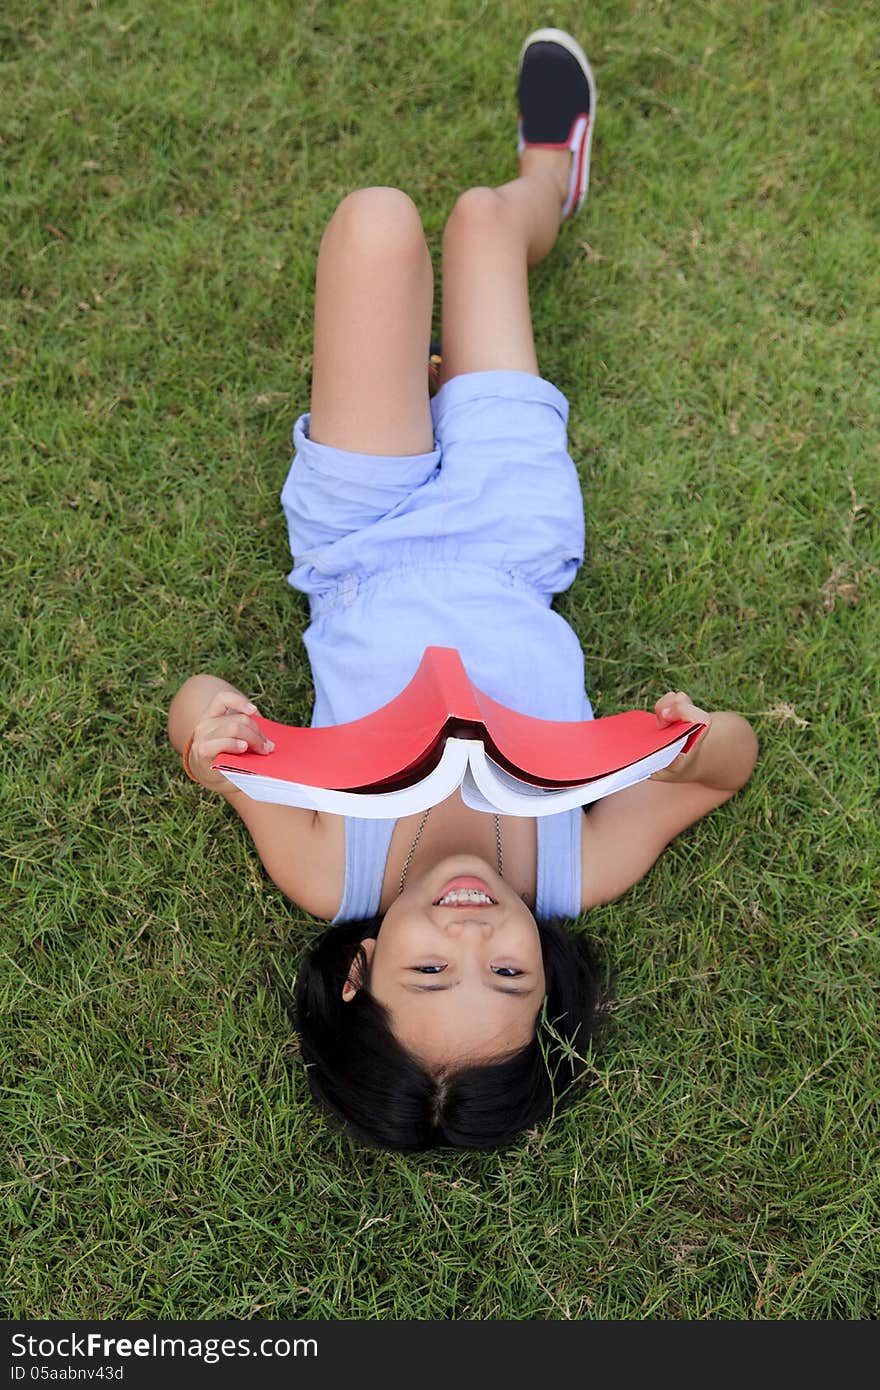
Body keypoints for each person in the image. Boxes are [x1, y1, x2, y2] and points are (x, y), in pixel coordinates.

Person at [167, 29, 758, 1151]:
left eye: (430, 970)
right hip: (506, 530)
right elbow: (722, 776)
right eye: (507, 975)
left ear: (358, 971)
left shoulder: (320, 866)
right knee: (483, 227)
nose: (471, 932)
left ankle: (418, 381)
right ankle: (550, 175)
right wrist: (696, 737)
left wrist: (210, 726)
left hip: (360, 537)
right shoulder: (578, 866)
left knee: (377, 221)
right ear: (550, 980)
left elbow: (199, 720)